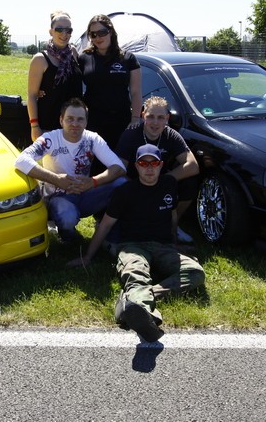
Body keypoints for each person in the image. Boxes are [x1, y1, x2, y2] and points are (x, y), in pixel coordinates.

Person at [66, 144, 206, 342]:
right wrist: (88, 257)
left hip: (163, 247)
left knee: (195, 272)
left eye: (154, 163)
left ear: (161, 165)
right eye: (143, 163)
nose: (149, 168)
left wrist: (174, 245)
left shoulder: (168, 184)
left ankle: (133, 303)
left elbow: (172, 217)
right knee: (136, 275)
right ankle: (147, 317)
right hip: (133, 247)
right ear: (137, 166)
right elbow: (105, 225)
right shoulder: (125, 191)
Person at [15, 98, 126, 243]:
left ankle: (108, 228)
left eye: (80, 119)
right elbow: (21, 160)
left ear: (86, 122)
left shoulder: (92, 139)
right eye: (70, 119)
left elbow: (119, 168)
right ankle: (67, 236)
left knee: (121, 183)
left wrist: (93, 182)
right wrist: (56, 179)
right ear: (61, 120)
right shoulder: (50, 138)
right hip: (57, 197)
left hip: (84, 193)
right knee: (67, 218)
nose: (75, 124)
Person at [115, 96, 199, 243]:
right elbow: (119, 168)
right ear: (143, 116)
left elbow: (192, 165)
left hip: (159, 180)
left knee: (190, 181)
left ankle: (172, 224)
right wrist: (137, 185)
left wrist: (163, 180)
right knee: (117, 183)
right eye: (150, 117)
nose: (155, 122)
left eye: (160, 117)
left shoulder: (171, 135)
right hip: (134, 182)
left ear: (167, 118)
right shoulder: (131, 134)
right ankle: (119, 223)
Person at [78, 14, 142, 150]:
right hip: (92, 123)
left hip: (121, 122)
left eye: (102, 32)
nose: (98, 38)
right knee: (94, 166)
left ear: (111, 32)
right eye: (93, 34)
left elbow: (136, 92)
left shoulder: (128, 58)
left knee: (119, 164)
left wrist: (135, 118)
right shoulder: (84, 58)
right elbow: (71, 84)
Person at [27, 10, 82, 141]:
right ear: (51, 31)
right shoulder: (40, 59)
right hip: (49, 126)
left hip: (74, 125)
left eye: (68, 30)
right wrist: (34, 126)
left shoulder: (73, 53)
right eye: (59, 29)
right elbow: (31, 95)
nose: (64, 34)